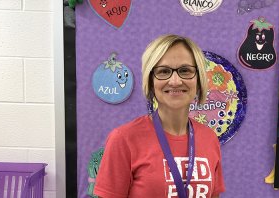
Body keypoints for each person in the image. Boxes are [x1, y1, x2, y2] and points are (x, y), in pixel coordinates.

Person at [94, 34, 225, 198]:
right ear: (150, 81)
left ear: (198, 81)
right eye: (164, 71)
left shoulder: (209, 138)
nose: (175, 81)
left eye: (185, 71)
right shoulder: (123, 139)